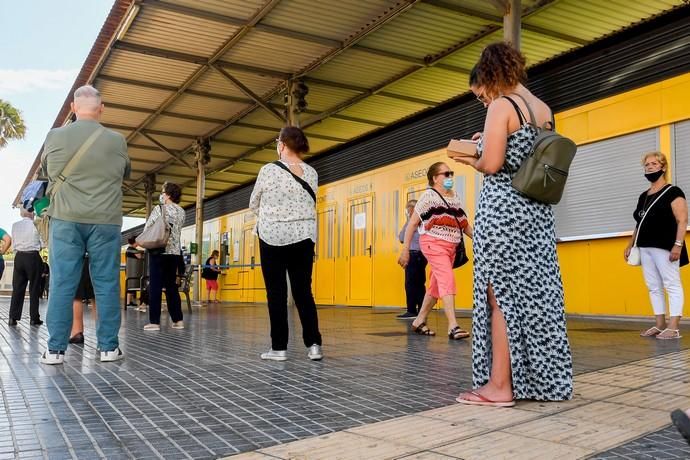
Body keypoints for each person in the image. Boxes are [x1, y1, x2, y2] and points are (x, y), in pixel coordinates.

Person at [453, 42, 573, 405]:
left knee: (498, 296)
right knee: (533, 297)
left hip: (504, 213)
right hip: (536, 215)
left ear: (490, 77)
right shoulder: (543, 109)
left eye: (481, 95)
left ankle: (500, 387)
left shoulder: (502, 106)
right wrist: (490, 142)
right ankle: (537, 382)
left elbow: (491, 164)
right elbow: (528, 154)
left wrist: (468, 157)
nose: (484, 102)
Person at [39, 85, 130, 365]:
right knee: (106, 284)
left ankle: (55, 350)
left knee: (63, 283)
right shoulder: (117, 140)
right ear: (101, 108)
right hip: (105, 220)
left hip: (66, 219)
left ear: (73, 108)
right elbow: (125, 171)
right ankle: (108, 348)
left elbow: (47, 171)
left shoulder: (55, 136)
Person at [249, 126, 323, 361]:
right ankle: (314, 346)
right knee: (303, 292)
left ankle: (279, 348)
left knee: (276, 293)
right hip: (304, 236)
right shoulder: (311, 172)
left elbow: (254, 202)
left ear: (282, 144)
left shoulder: (268, 170)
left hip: (272, 237)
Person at [398, 163, 472, 340]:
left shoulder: (455, 197)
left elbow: (464, 224)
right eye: (446, 174)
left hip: (451, 247)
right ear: (435, 178)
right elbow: (412, 224)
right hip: (433, 244)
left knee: (435, 287)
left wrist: (482, 241)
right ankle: (453, 326)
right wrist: (405, 250)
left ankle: (419, 320)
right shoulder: (428, 197)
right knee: (447, 279)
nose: (450, 177)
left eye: (451, 173)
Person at [625, 152, 687, 340]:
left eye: (654, 164)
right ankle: (660, 324)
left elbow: (682, 220)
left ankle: (674, 327)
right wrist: (630, 244)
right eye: (647, 165)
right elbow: (639, 222)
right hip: (645, 247)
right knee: (653, 286)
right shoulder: (644, 195)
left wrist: (678, 245)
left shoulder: (673, 192)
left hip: (666, 246)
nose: (650, 167)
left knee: (672, 284)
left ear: (663, 167)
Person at [142, 182, 186, 331]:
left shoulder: (159, 209)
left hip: (159, 251)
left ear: (167, 194)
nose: (161, 194)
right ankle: (178, 320)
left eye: (162, 192)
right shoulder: (181, 211)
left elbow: (147, 228)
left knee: (155, 286)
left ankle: (154, 322)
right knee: (171, 287)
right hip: (174, 253)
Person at [9, 209, 44, 326]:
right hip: (32, 256)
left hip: (19, 257)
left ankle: (12, 318)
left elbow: (13, 244)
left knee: (17, 288)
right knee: (34, 288)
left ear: (21, 213)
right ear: (32, 213)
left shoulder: (15, 225)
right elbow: (43, 243)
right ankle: (34, 318)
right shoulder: (36, 225)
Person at [397, 199, 427, 319]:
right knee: (419, 283)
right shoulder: (423, 219)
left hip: (414, 254)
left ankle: (411, 310)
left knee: (410, 283)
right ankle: (421, 310)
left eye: (408, 209)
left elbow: (401, 237)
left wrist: (408, 219)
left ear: (412, 209)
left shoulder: (413, 220)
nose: (408, 211)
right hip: (421, 255)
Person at [69, 253, 97, 344]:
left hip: (77, 259)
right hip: (97, 258)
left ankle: (77, 333)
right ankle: (103, 335)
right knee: (97, 297)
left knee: (77, 297)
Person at [125, 236, 145, 308]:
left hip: (130, 269)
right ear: (135, 242)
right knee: (132, 285)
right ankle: (128, 303)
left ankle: (130, 302)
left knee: (131, 285)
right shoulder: (132, 250)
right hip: (133, 270)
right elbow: (140, 257)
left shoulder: (128, 249)